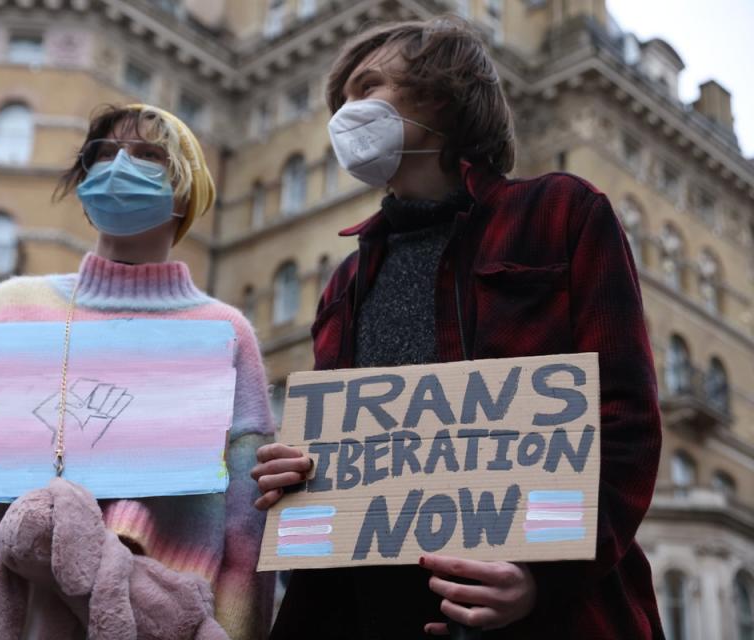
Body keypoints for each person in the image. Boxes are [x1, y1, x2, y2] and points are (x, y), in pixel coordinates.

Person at [251, 17, 663, 639]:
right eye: (340, 104)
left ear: (444, 92)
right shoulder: (343, 283)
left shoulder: (561, 213)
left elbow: (624, 418)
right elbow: (344, 460)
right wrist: (299, 471)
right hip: (365, 612)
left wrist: (541, 578)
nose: (347, 116)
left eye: (368, 88)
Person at [0, 104, 274, 639]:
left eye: (146, 156)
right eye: (103, 153)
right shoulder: (12, 306)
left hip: (153, 613)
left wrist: (233, 631)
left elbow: (245, 528)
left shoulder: (226, 334)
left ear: (186, 189)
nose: (119, 165)